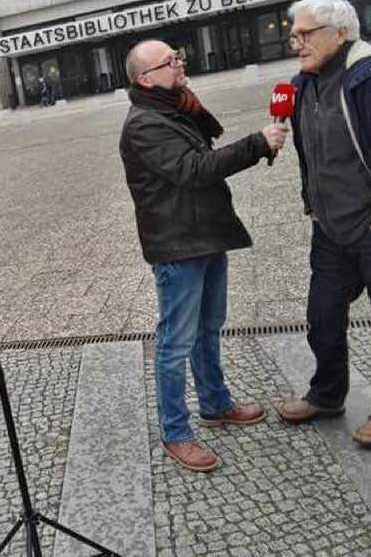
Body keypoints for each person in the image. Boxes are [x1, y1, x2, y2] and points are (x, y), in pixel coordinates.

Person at [119, 39, 289, 471]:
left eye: (178, 57)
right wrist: (257, 144)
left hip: (206, 234)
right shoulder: (145, 124)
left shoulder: (175, 107)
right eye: (169, 61)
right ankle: (175, 432)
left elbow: (202, 155)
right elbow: (193, 170)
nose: (180, 63)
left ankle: (215, 404)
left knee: (209, 327)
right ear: (145, 78)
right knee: (176, 341)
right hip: (178, 244)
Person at [276, 0, 371, 448]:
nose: (295, 42)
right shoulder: (305, 84)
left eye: (305, 34)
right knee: (321, 318)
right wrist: (310, 200)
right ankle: (327, 393)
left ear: (341, 33)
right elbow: (309, 153)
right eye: (293, 34)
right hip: (330, 228)